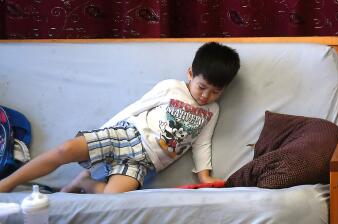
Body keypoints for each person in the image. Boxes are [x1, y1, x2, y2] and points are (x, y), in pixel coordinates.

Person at [0, 42, 240, 194]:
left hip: (146, 162)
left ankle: (84, 183)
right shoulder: (171, 87)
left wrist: (204, 176)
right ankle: (7, 184)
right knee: (65, 150)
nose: (206, 95)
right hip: (126, 135)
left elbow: (201, 143)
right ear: (190, 73)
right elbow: (134, 108)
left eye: (216, 91)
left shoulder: (212, 111)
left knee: (113, 197)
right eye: (202, 87)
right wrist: (99, 136)